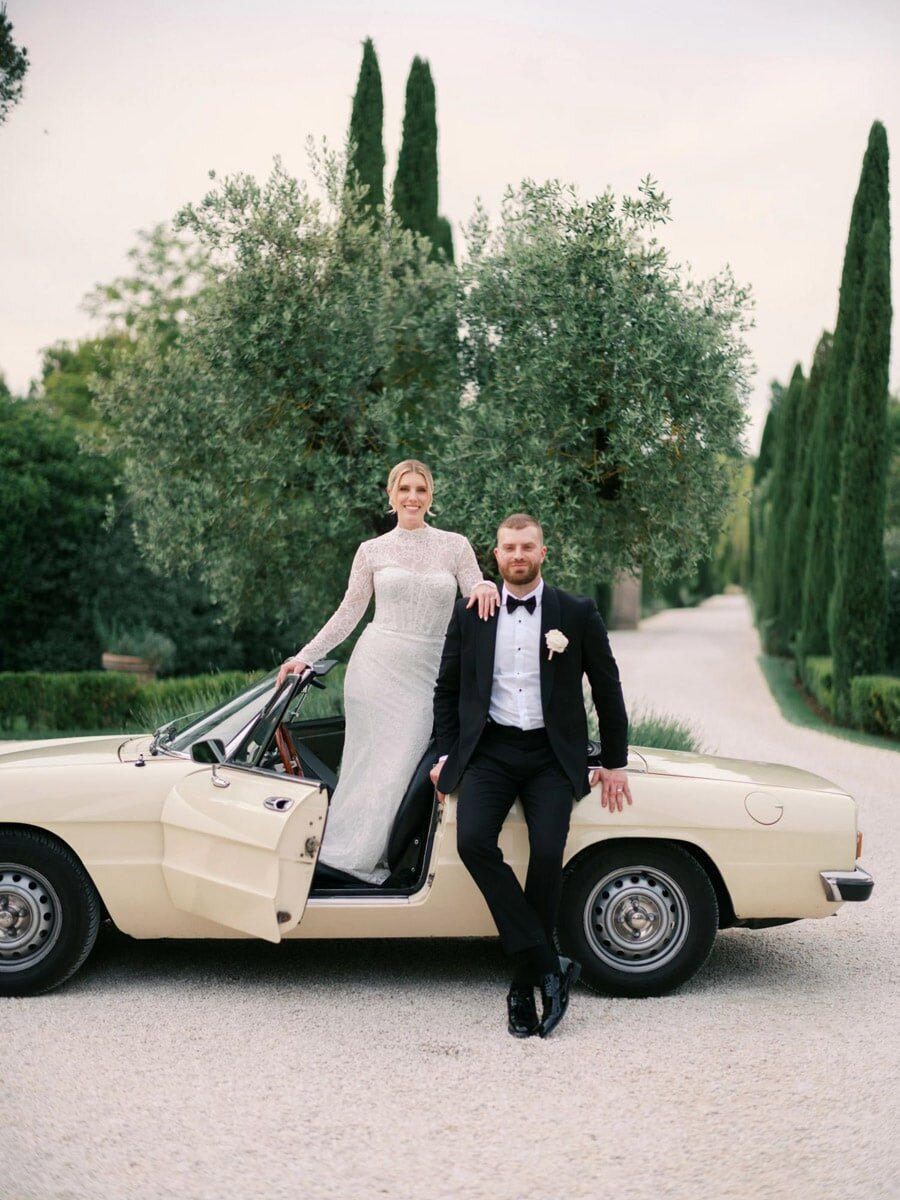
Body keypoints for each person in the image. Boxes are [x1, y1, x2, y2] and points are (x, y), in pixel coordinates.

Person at [431, 513, 632, 1038]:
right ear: (494, 556)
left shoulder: (577, 612)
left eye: (527, 547)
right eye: (508, 548)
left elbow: (608, 690)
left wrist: (613, 762)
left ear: (544, 552)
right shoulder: (471, 611)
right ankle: (547, 964)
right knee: (474, 842)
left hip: (551, 755)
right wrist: (445, 755)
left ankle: (523, 983)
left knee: (547, 852)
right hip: (490, 752)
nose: (517, 556)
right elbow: (447, 691)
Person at [277, 460, 499, 883]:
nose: (412, 496)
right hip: (377, 666)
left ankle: (392, 854)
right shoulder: (372, 550)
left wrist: (488, 586)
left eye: (420, 489)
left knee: (406, 758)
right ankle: (348, 856)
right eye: (404, 489)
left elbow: (477, 593)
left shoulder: (455, 546)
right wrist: (306, 655)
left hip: (430, 672)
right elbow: (349, 612)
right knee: (370, 761)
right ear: (391, 495)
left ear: (431, 497)